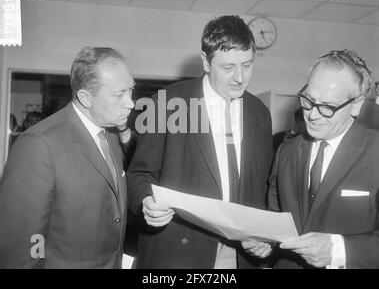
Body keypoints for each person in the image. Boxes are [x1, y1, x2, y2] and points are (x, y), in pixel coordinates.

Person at [127, 15, 273, 269]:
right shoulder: (167, 104)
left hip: (239, 254)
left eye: (247, 65)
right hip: (178, 252)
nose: (240, 77)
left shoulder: (260, 113)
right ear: (206, 62)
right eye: (228, 68)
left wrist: (266, 235)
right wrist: (147, 202)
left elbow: (263, 188)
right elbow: (139, 175)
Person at [0, 46, 135, 268]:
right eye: (120, 94)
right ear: (85, 98)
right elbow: (21, 251)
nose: (131, 102)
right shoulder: (38, 145)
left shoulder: (109, 135)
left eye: (131, 90)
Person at [267, 49, 379, 268]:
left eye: (327, 107)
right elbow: (274, 219)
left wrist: (338, 250)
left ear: (356, 105)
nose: (312, 114)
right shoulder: (286, 151)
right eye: (308, 100)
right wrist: (263, 243)